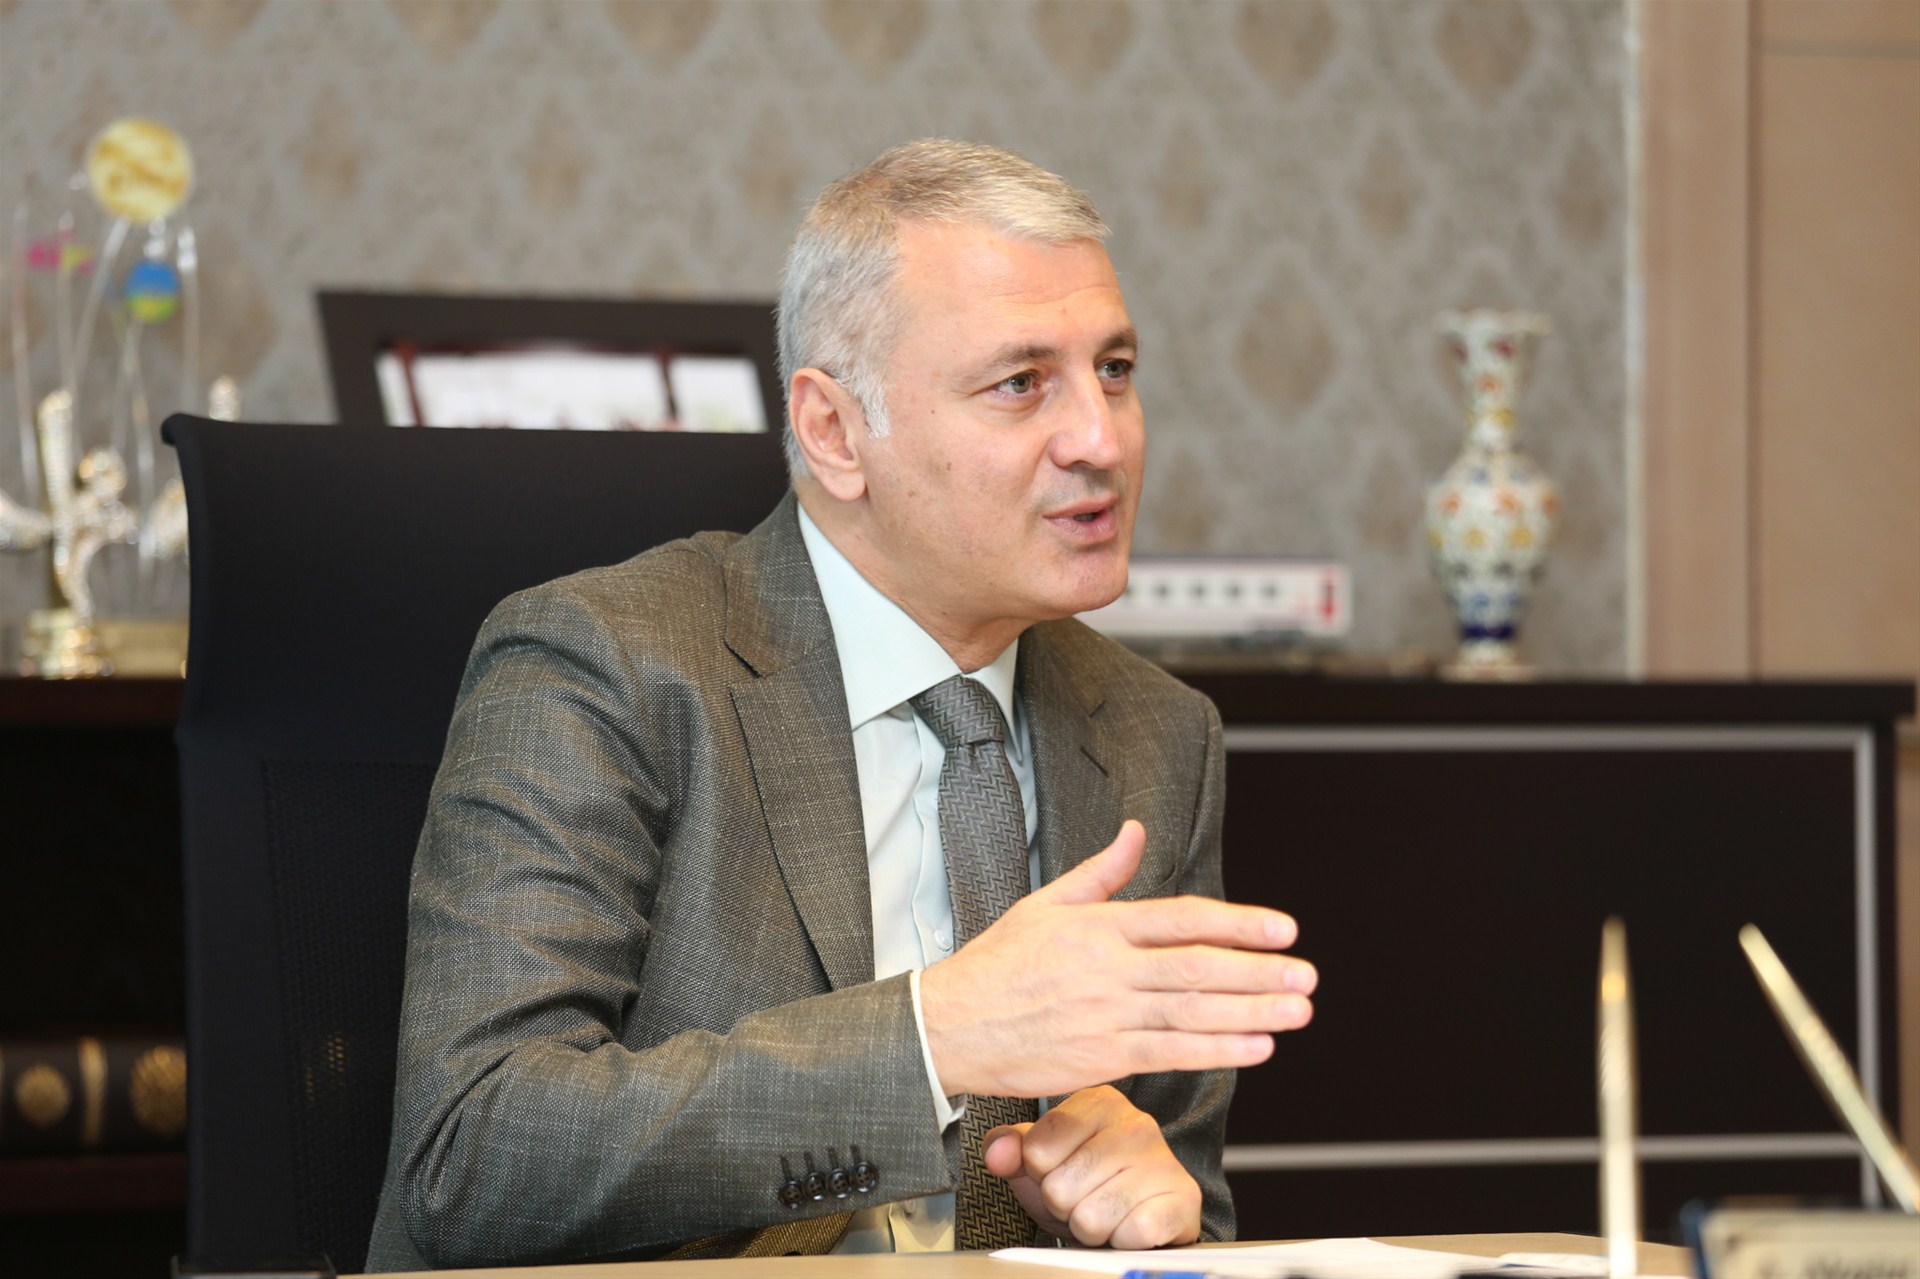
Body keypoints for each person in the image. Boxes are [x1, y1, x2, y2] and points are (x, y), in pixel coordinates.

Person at [365, 139, 1317, 1271]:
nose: (1102, 439)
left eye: (1113, 370)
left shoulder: (1158, 733)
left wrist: (1149, 1212)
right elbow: (474, 1153)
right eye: (1021, 384)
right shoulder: (608, 665)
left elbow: (1185, 1210)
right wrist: (934, 1037)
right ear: (832, 431)